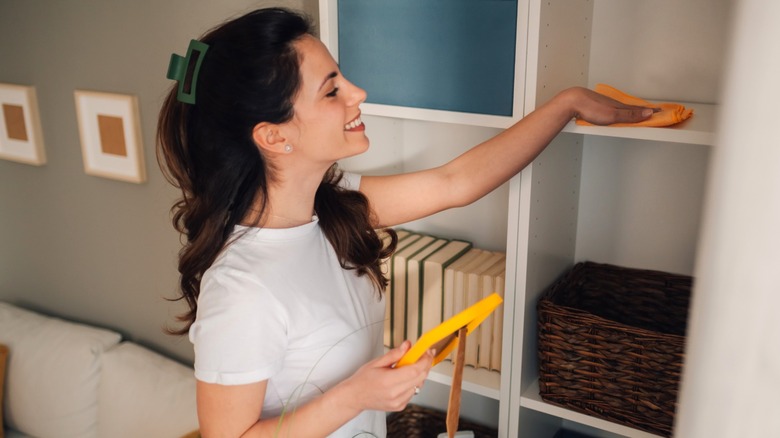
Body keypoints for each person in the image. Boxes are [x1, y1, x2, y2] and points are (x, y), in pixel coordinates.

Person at [157, 7, 654, 438]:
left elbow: (455, 182)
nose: (358, 93)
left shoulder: (333, 206)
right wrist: (354, 396)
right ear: (273, 136)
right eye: (333, 91)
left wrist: (567, 104)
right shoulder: (242, 289)